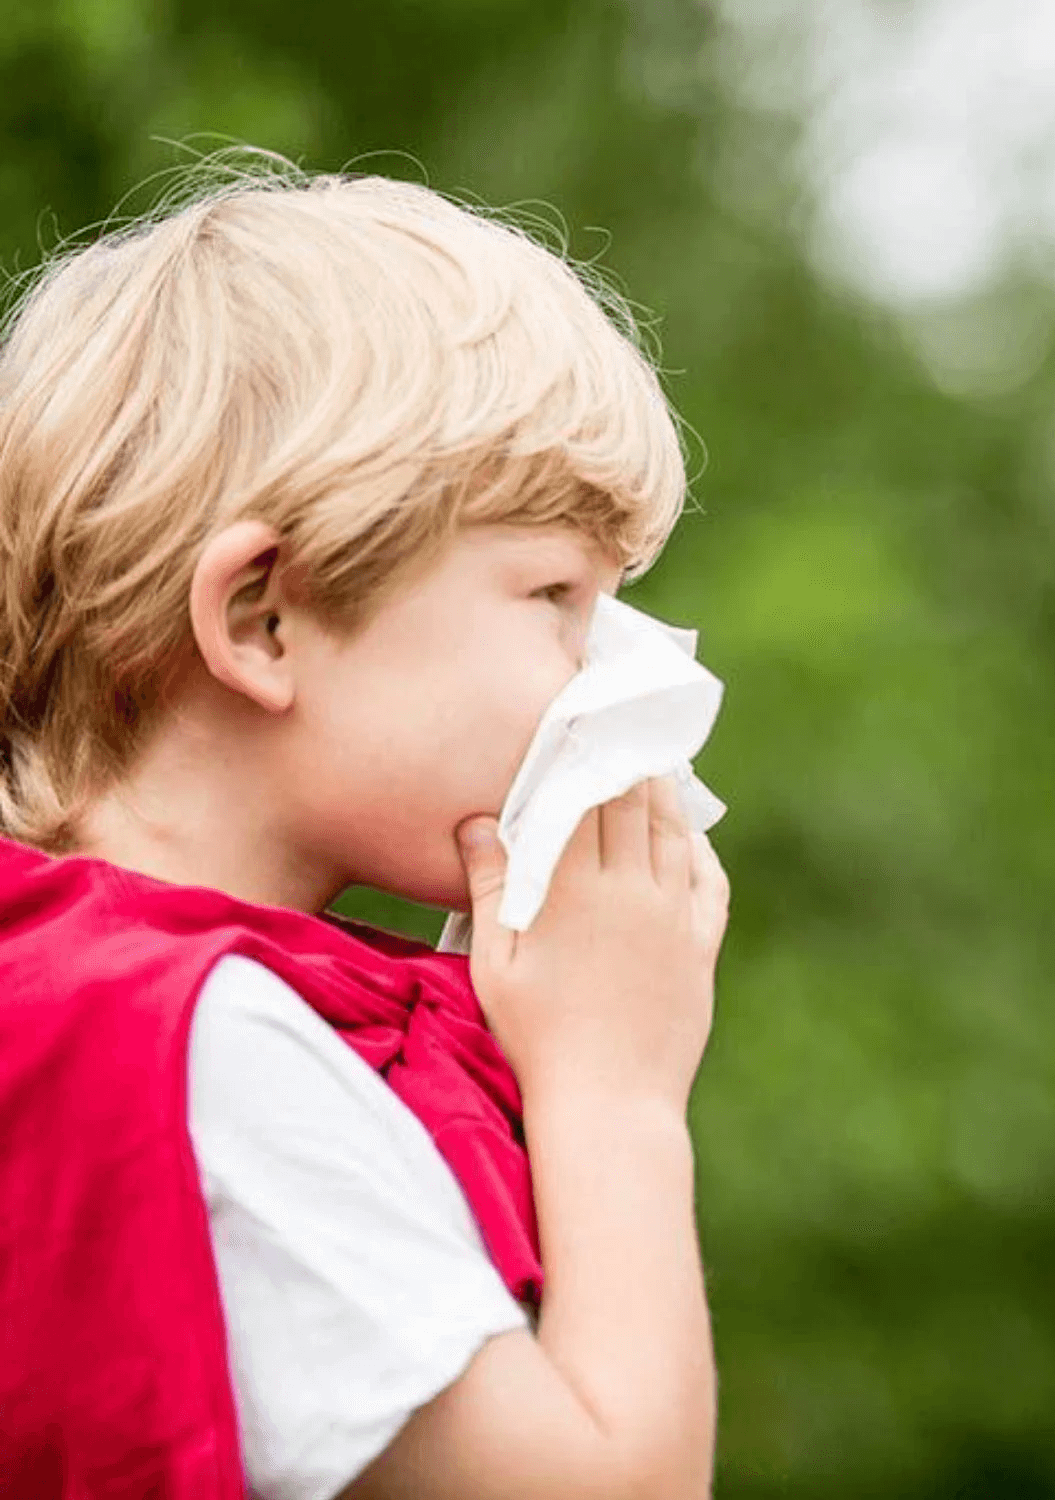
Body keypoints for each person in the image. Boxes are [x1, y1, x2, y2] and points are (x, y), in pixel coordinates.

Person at [0, 162, 728, 1500]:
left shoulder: (66, 994)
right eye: (556, 594)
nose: (611, 674)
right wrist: (615, 1094)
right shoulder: (204, 1050)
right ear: (265, 619)